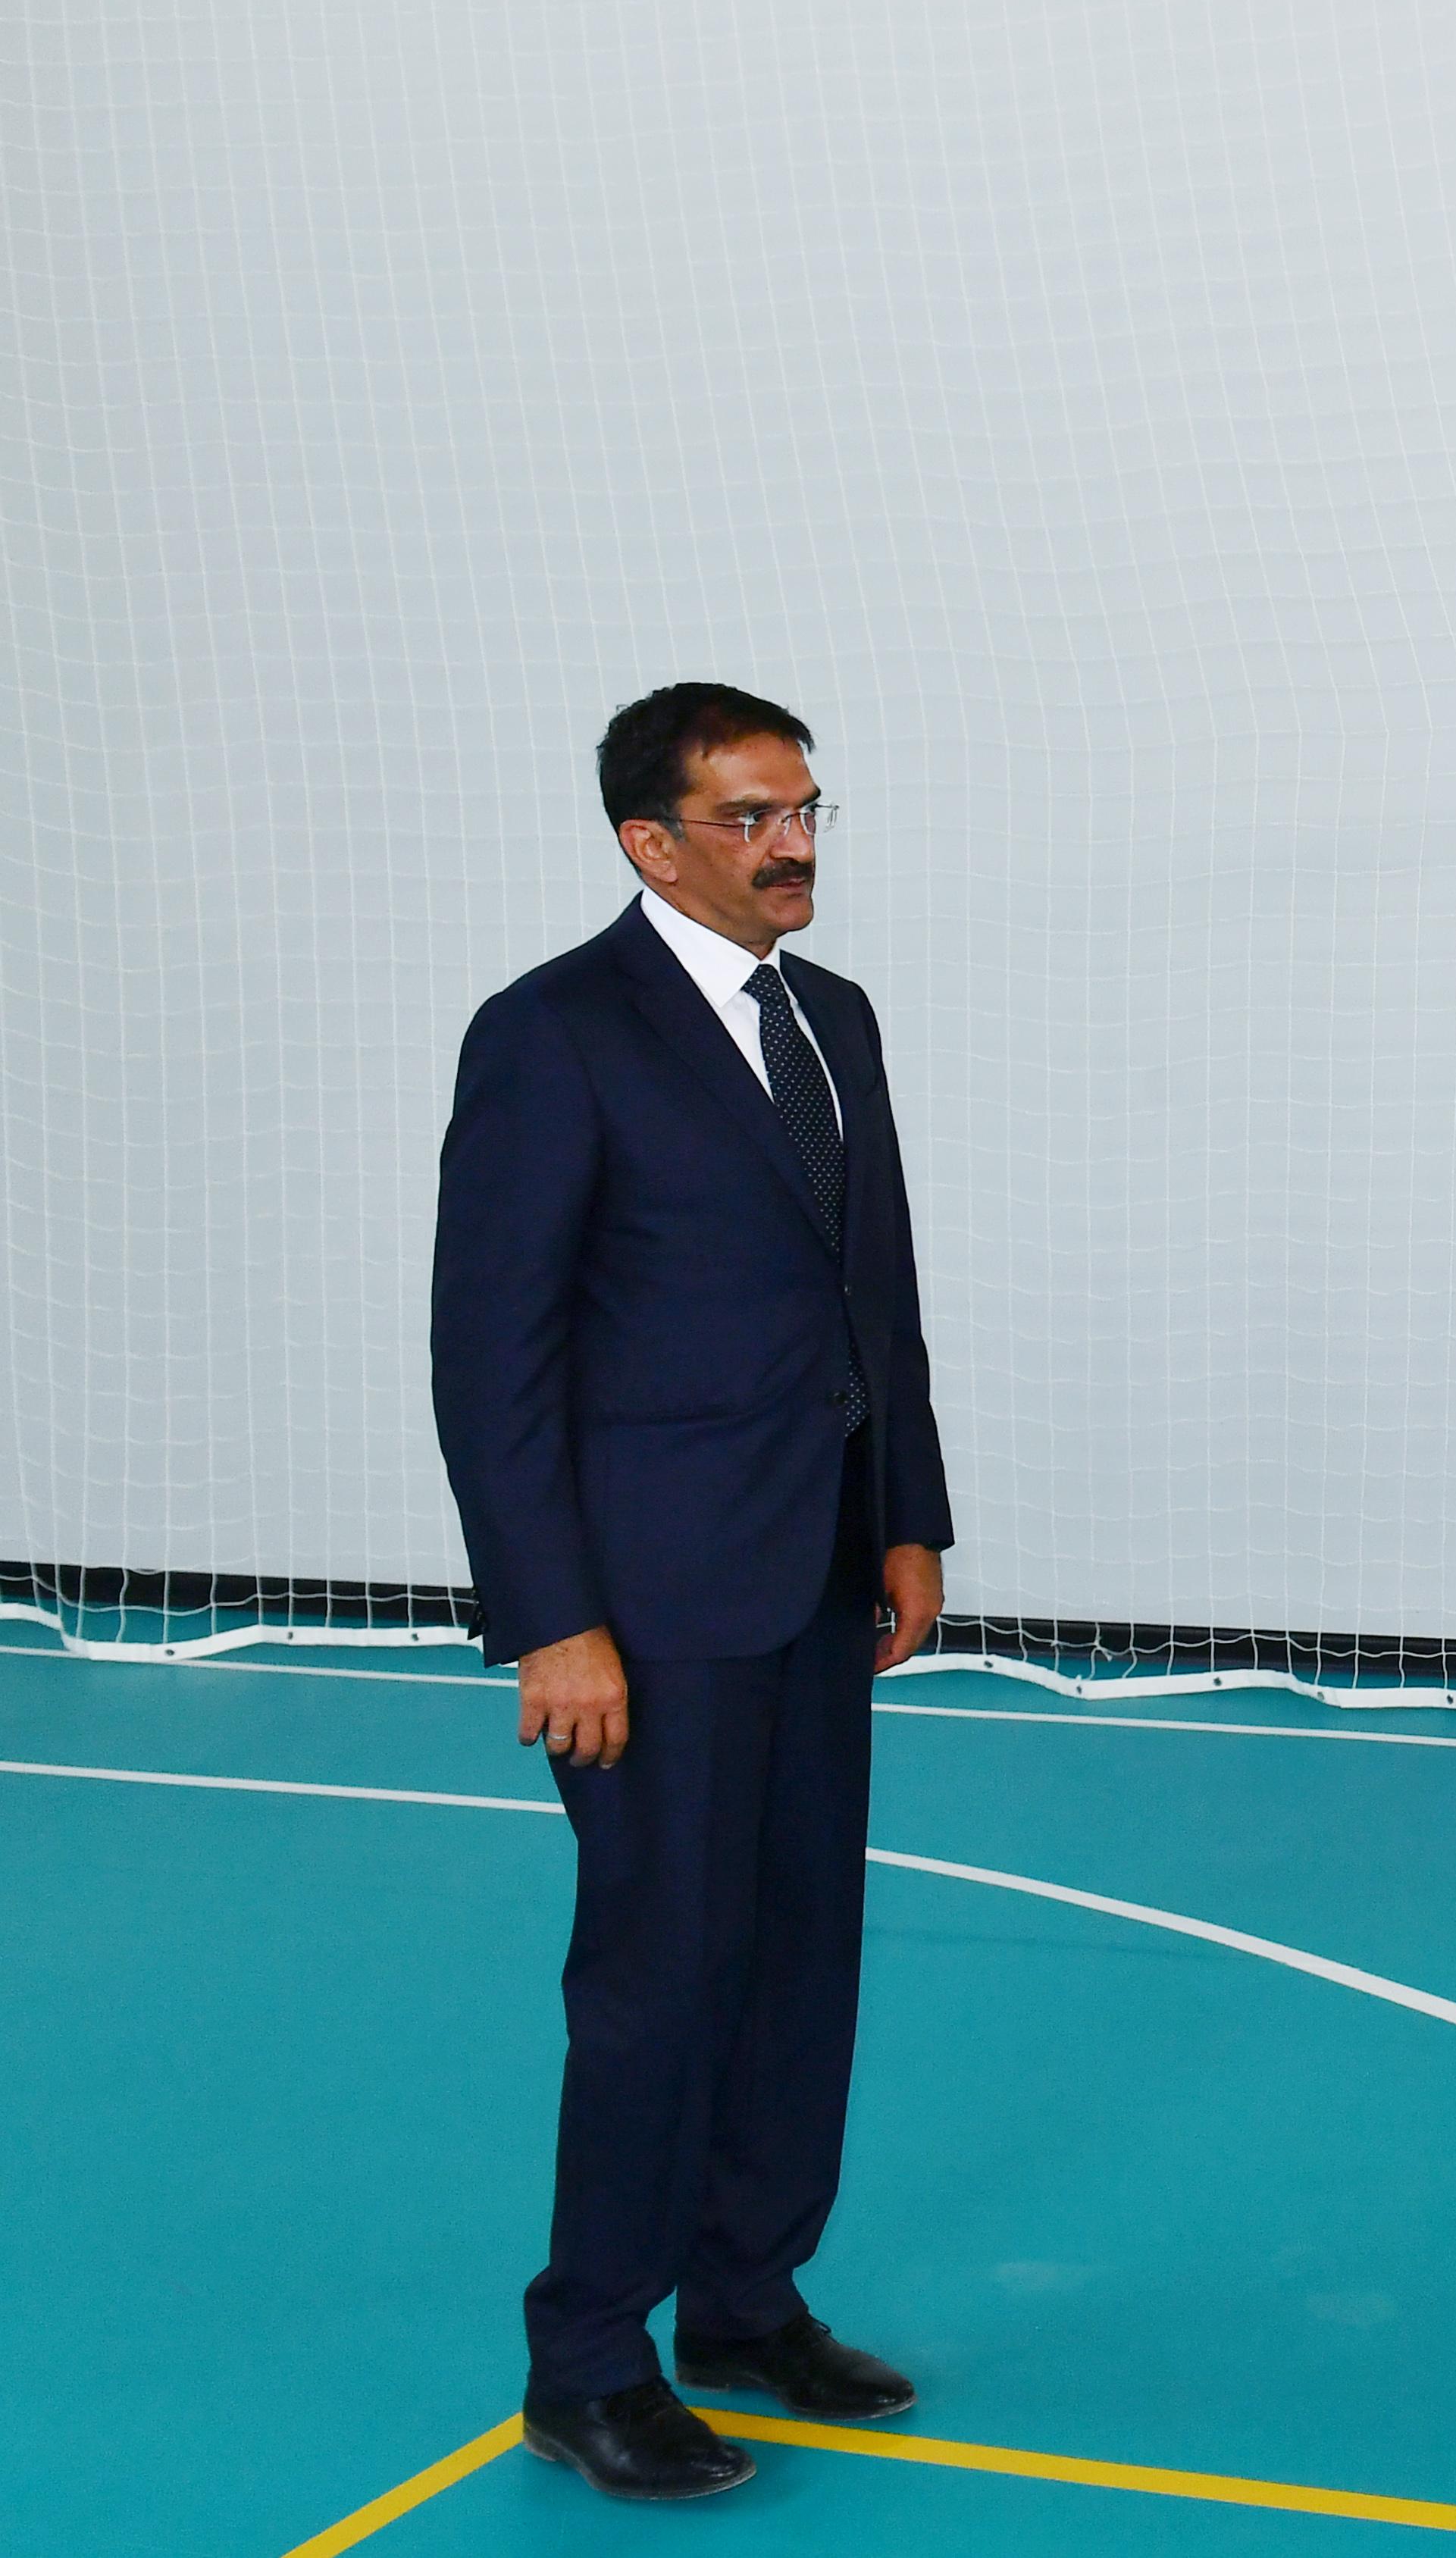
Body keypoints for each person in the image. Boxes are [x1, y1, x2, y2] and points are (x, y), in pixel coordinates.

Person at [431, 684, 952, 2502]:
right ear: (649, 843)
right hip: (645, 1608)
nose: (791, 844)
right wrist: (549, 1617)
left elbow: (871, 1292)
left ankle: (744, 2297)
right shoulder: (554, 1034)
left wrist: (907, 1517)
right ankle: (588, 2357)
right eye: (748, 817)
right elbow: (491, 1354)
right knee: (660, 1979)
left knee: (803, 1955)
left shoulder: (834, 1017)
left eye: (803, 808)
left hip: (815, 1574)